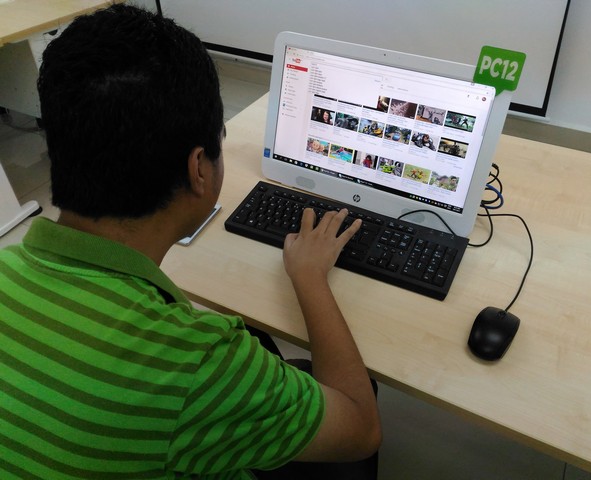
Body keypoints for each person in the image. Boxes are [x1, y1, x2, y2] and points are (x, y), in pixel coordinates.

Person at [0, 5, 381, 479]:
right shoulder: (196, 360)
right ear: (198, 168)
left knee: (258, 340)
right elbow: (361, 429)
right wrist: (310, 277)